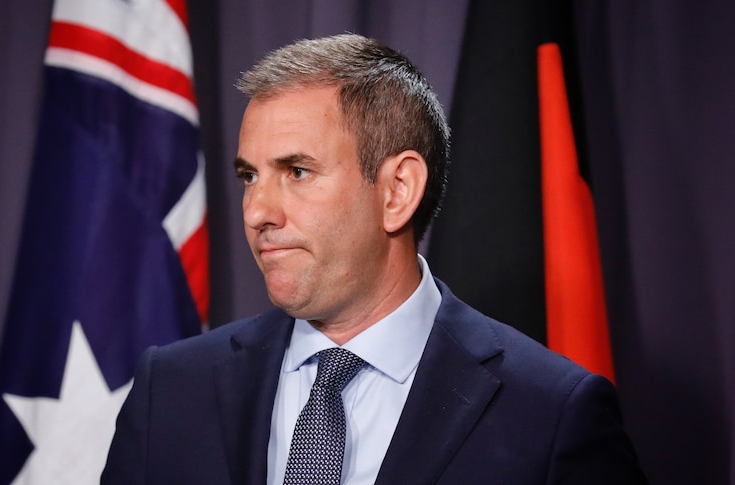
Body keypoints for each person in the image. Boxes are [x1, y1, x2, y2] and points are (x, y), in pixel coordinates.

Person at [102, 33, 646, 484]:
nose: (256, 211)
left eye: (297, 171)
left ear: (397, 191)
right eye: (250, 176)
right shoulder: (168, 390)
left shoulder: (552, 415)